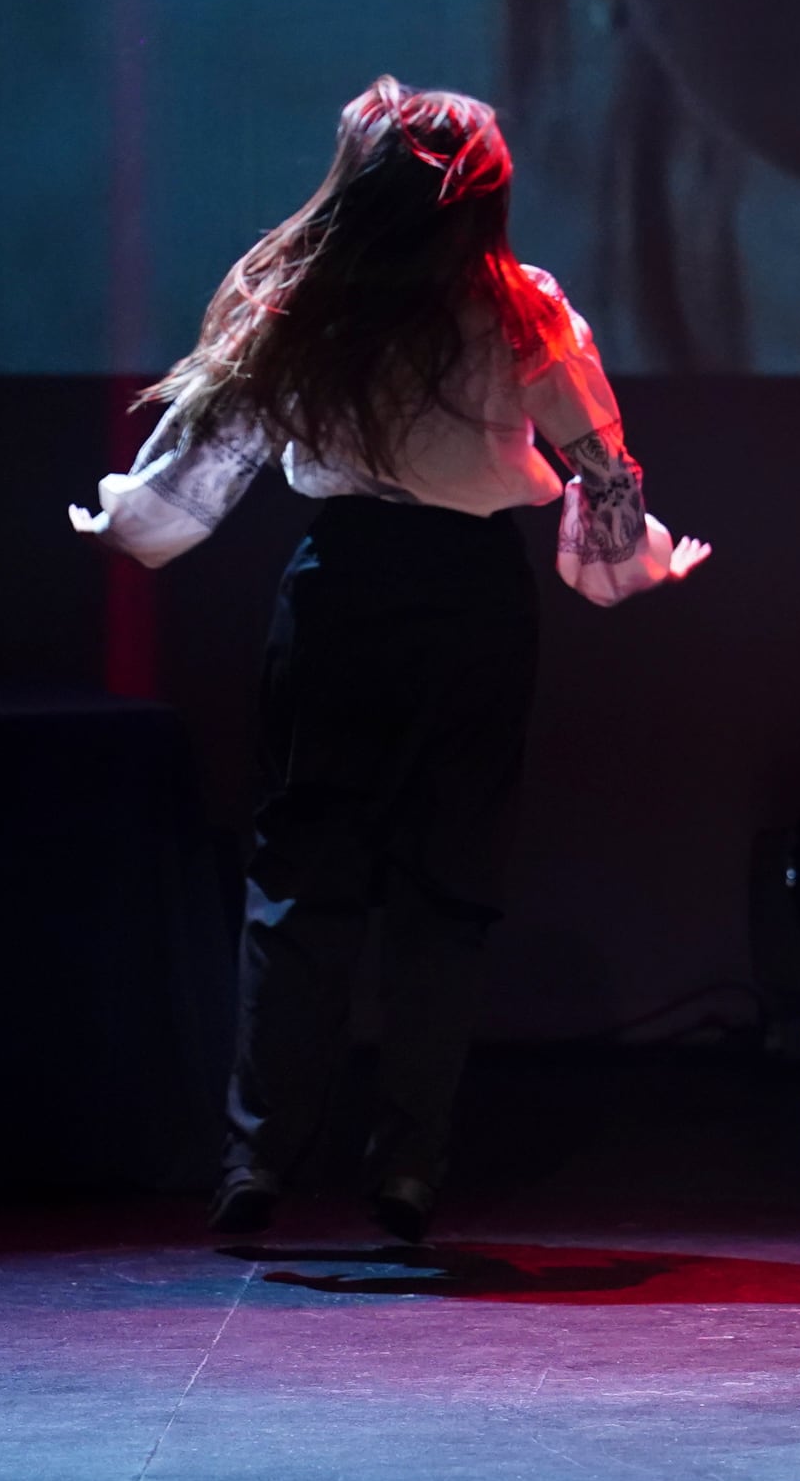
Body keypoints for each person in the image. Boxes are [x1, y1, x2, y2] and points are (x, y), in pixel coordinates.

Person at [71, 77, 708, 1243]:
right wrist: (633, 560)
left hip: (344, 593)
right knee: (444, 888)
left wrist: (128, 520)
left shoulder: (301, 300)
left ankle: (258, 1163)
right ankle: (405, 1168)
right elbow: (604, 472)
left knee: (302, 883)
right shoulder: (520, 309)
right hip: (466, 597)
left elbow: (197, 462)